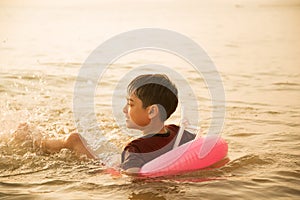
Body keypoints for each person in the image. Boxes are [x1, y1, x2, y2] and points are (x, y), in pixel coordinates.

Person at [34, 74, 195, 174]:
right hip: (117, 160)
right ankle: (39, 142)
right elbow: (198, 143)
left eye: (131, 104)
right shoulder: (177, 132)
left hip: (101, 168)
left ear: (152, 112)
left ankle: (35, 141)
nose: (125, 110)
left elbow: (131, 178)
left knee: (75, 139)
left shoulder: (135, 149)